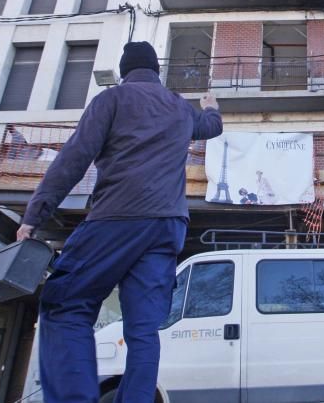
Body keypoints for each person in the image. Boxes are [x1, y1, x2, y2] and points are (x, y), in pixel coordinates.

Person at [17, 41, 223, 403]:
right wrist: (212, 107)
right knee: (144, 328)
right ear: (155, 71)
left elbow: (74, 158)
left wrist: (35, 216)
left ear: (125, 70)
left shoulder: (111, 101)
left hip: (118, 218)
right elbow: (210, 127)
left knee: (65, 304)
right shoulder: (179, 107)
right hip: (168, 225)